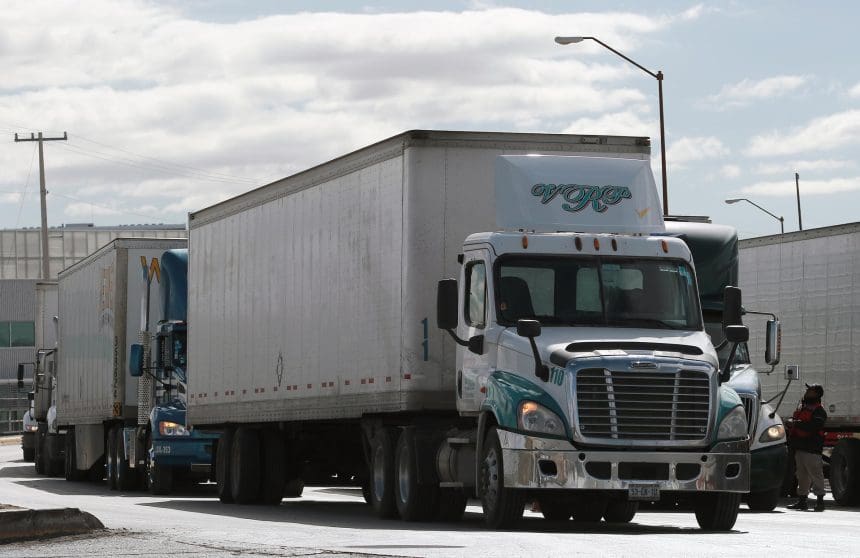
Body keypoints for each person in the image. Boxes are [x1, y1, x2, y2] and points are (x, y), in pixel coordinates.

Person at [787, 383, 828, 512]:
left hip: (812, 449)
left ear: (816, 394)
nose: (807, 391)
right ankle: (802, 501)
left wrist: (795, 424)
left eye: (810, 390)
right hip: (800, 447)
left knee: (816, 475)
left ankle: (820, 502)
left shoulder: (819, 411)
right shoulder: (803, 408)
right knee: (801, 475)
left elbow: (813, 427)